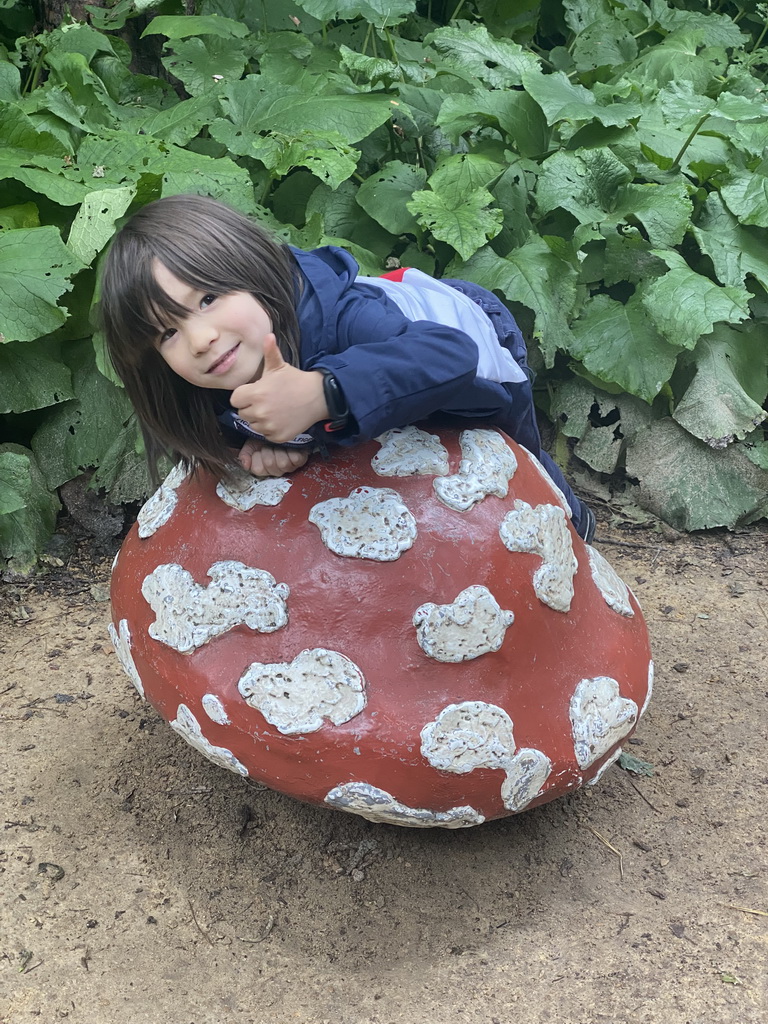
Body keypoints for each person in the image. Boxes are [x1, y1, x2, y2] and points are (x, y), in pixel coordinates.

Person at [100, 193, 596, 541]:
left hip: (468, 341)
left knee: (518, 455)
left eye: (208, 298)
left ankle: (575, 525)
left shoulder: (342, 317)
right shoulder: (206, 377)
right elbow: (224, 425)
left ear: (251, 271)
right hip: (394, 347)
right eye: (168, 332)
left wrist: (323, 393)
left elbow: (450, 354)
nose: (201, 338)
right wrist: (270, 441)